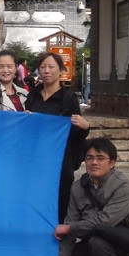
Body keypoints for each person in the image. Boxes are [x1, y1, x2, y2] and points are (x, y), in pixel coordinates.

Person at [25, 52, 90, 224]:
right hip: (35, 161)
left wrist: (85, 127)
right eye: (43, 67)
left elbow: (75, 133)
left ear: (61, 70)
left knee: (59, 206)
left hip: (60, 162)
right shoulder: (32, 97)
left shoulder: (68, 99)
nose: (46, 71)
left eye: (51, 67)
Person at [54, 138, 129, 256]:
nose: (94, 162)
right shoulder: (77, 188)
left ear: (112, 163)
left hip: (120, 244)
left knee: (98, 243)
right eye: (89, 158)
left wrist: (70, 228)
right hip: (90, 241)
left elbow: (105, 221)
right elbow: (69, 227)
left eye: (100, 158)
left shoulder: (123, 187)